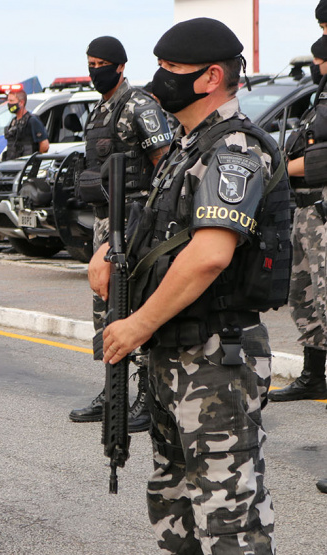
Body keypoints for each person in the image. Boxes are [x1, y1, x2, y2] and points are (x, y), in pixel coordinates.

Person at [96, 18, 284, 552]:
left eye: (172, 69)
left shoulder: (234, 150)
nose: (159, 80)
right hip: (174, 350)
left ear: (211, 77)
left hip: (216, 356)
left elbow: (209, 255)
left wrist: (137, 324)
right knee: (174, 501)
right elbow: (164, 234)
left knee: (228, 517)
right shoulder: (187, 147)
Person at [68, 36, 172, 433]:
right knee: (106, 310)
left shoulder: (139, 106)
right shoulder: (99, 111)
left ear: (120, 66)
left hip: (133, 223)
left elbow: (164, 163)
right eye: (90, 62)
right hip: (102, 224)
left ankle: (148, 398)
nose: (95, 70)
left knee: (136, 305)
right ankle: (113, 393)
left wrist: (145, 222)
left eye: (101, 63)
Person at [270, 35, 327, 406]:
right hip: (305, 211)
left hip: (323, 211)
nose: (314, 66)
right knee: (303, 294)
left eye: (317, 60)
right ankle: (312, 376)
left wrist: (280, 168)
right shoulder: (318, 99)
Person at [2, 89, 49, 160]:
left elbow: (44, 146)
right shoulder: (13, 121)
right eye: (8, 100)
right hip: (12, 165)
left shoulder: (32, 120)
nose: (9, 104)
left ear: (21, 102)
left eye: (11, 101)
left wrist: (33, 162)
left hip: (26, 166)